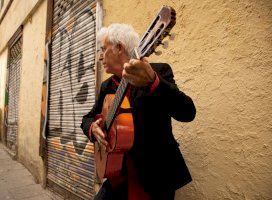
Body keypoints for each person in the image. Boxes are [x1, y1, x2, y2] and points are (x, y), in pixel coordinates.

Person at [81, 23, 196, 200]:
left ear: (119, 47)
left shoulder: (157, 72)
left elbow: (187, 113)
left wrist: (153, 82)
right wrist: (93, 129)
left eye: (103, 49)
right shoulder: (107, 86)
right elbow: (88, 118)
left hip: (155, 177)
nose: (100, 57)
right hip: (116, 175)